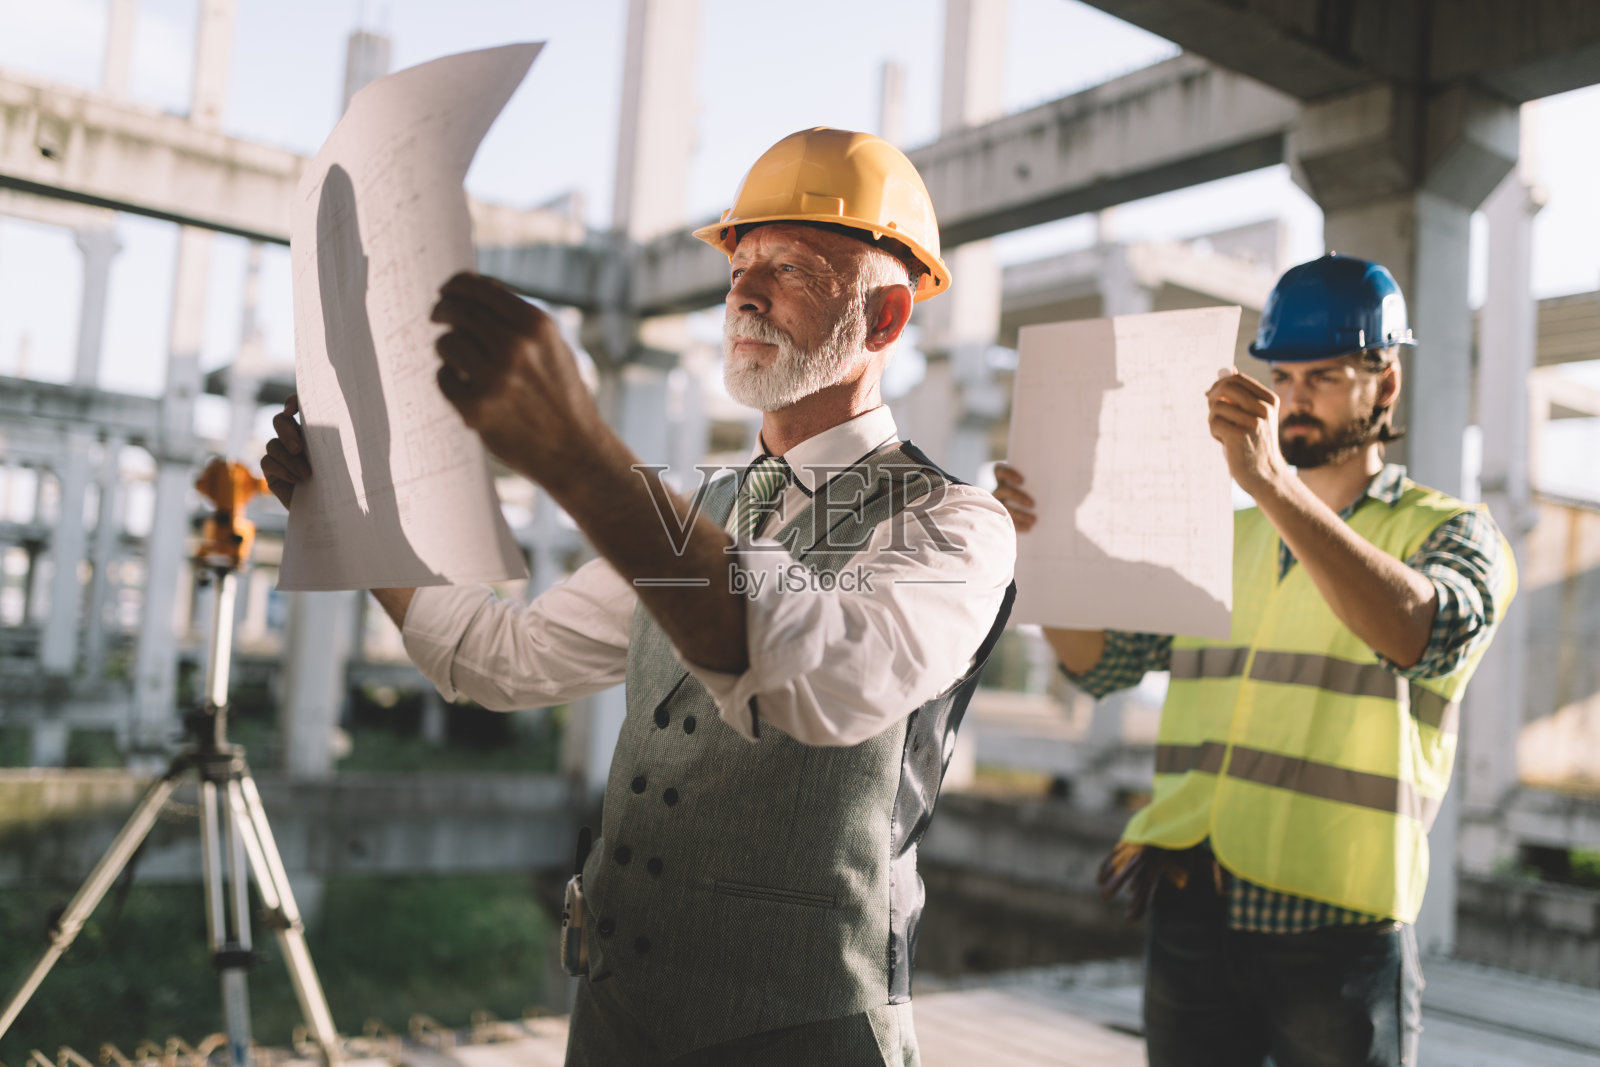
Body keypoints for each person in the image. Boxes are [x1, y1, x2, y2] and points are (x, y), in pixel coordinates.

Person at [263, 126, 1014, 1067]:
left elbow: (826, 677)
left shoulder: (955, 525)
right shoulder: (692, 512)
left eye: (788, 267)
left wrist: (580, 454)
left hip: (807, 1038)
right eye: (738, 268)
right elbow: (499, 659)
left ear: (886, 316)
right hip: (616, 1020)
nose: (743, 292)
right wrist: (354, 518)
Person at [993, 254, 1516, 1067]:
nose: (1293, 397)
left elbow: (1422, 632)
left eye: (1324, 375)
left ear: (1386, 382)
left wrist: (1270, 481)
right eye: (1283, 375)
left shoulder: (1451, 531)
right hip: (1191, 902)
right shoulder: (1226, 534)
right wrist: (1037, 547)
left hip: (1336, 924)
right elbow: (1102, 662)